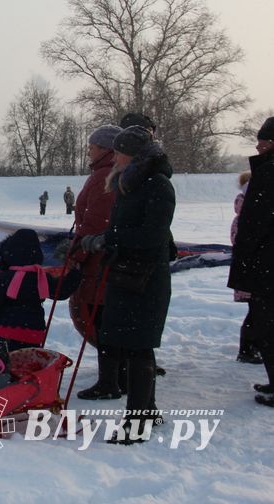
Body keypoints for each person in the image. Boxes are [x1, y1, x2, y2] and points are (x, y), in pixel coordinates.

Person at [79, 125, 175, 442]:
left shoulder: (157, 186)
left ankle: (137, 423)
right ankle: (147, 410)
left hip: (145, 278)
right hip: (125, 273)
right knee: (133, 347)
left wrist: (107, 239)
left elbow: (153, 235)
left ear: (132, 155)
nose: (115, 156)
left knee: (139, 350)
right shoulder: (127, 184)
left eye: (119, 151)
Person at [69, 124, 127, 401]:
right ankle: (119, 373)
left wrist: (77, 251)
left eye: (92, 146)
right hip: (106, 257)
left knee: (100, 316)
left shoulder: (105, 176)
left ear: (105, 149)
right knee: (106, 317)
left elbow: (95, 220)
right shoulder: (108, 173)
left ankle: (111, 380)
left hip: (99, 259)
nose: (89, 151)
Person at [228, 116, 274, 407]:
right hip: (265, 262)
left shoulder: (268, 174)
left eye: (264, 141)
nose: (258, 146)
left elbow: (254, 224)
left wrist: (245, 257)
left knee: (267, 324)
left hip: (265, 264)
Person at [0, 229, 81, 351]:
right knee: (29, 360)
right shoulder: (40, 277)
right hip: (33, 330)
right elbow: (61, 292)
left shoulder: (4, 278)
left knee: (10, 359)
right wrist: (76, 274)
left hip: (8, 328)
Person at [231, 171, 259, 363]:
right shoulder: (245, 218)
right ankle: (248, 348)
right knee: (256, 311)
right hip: (252, 271)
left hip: (251, 270)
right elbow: (239, 241)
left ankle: (252, 347)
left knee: (257, 311)